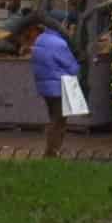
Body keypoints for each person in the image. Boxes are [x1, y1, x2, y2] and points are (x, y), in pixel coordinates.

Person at [22, 13, 78, 159]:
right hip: (60, 86)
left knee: (53, 117)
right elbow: (71, 66)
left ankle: (53, 151)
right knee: (59, 121)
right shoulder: (59, 43)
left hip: (45, 86)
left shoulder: (40, 39)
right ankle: (51, 152)